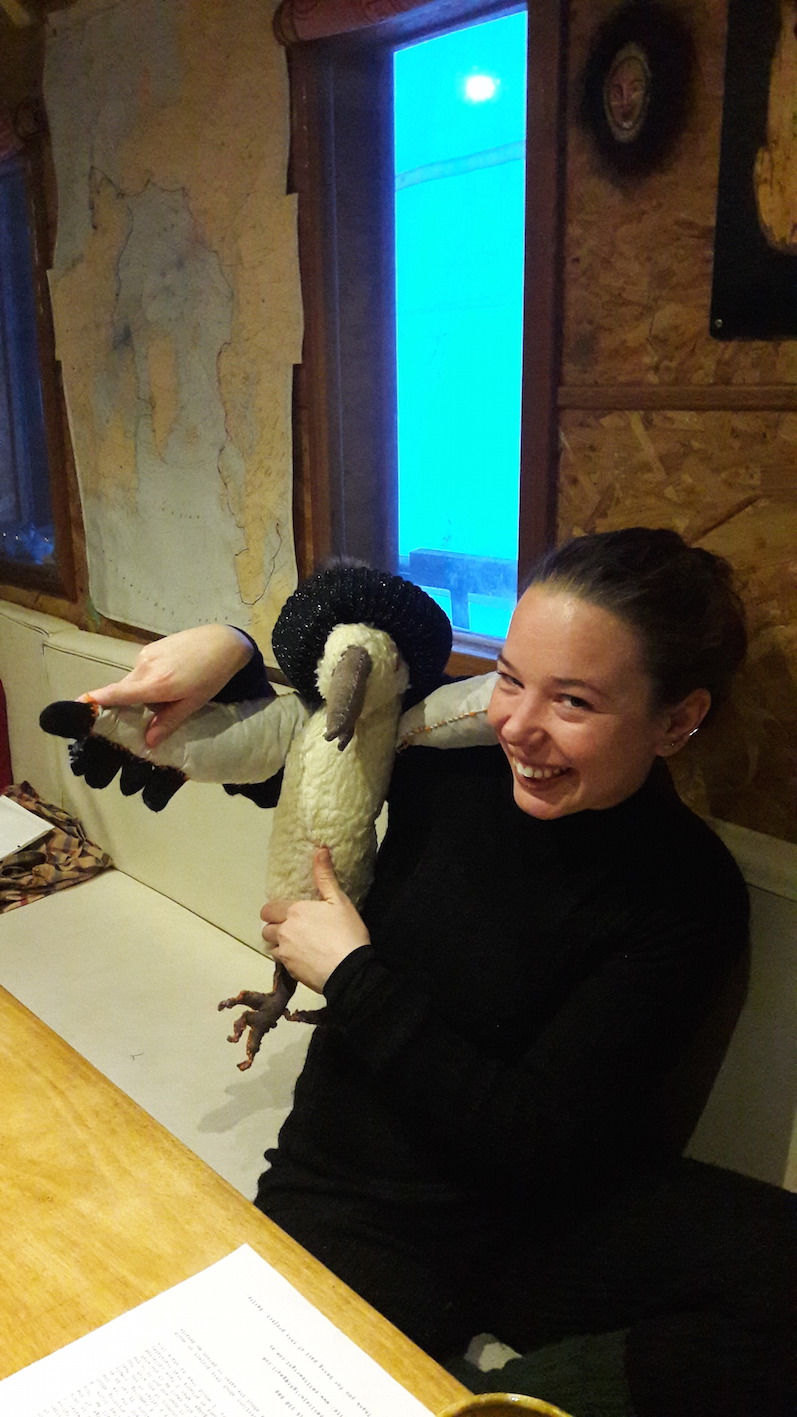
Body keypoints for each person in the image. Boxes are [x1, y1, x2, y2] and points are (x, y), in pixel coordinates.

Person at [87, 529, 795, 1417]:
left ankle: (502, 1399)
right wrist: (228, 647)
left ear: (677, 719)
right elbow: (312, 715)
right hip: (364, 1202)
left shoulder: (685, 893)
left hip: (537, 1213)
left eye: (573, 700)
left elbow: (537, 1140)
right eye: (509, 677)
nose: (517, 725)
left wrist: (352, 976)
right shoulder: (447, 766)